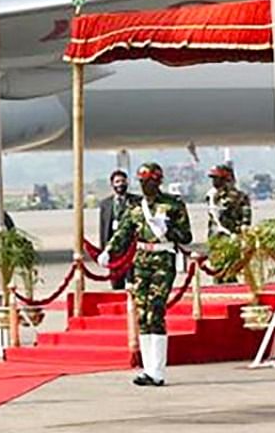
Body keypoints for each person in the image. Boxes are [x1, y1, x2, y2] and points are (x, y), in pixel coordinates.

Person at [101, 162, 193, 387]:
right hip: (141, 261)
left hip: (163, 259)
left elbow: (186, 235)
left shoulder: (173, 205)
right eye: (142, 182)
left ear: (158, 181)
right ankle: (147, 368)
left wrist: (168, 229)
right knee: (142, 314)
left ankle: (158, 370)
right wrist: (108, 251)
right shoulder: (135, 207)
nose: (145, 186)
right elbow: (123, 232)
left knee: (156, 311)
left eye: (149, 181)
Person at [205, 164, 251, 283]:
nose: (214, 181)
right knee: (216, 270)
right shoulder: (210, 195)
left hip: (230, 237)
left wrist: (241, 233)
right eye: (213, 178)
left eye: (217, 178)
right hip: (215, 238)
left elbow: (246, 217)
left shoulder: (238, 196)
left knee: (229, 270)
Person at [99, 169, 139, 290]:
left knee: (132, 281)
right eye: (117, 181)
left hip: (131, 246)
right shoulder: (105, 204)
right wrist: (104, 249)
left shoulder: (136, 201)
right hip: (114, 248)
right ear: (112, 184)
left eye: (123, 181)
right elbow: (103, 227)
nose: (120, 184)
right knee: (116, 282)